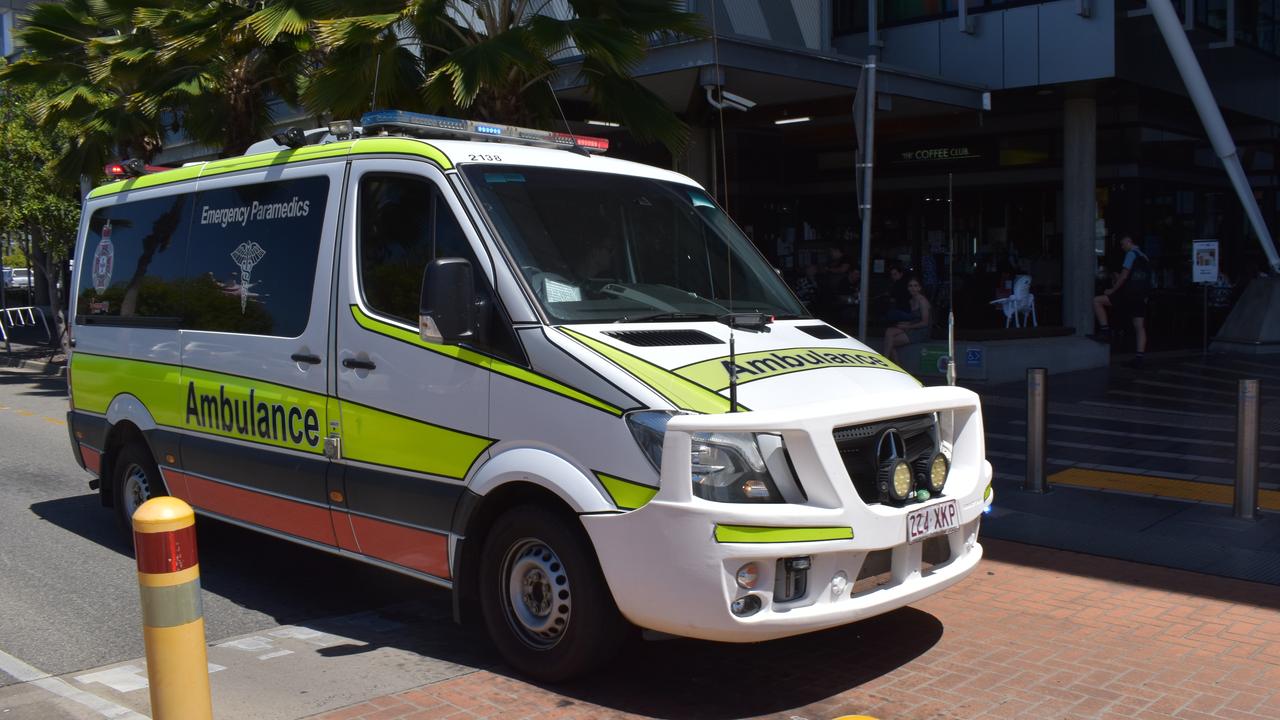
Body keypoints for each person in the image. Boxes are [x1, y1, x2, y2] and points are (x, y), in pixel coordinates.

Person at [1092, 234, 1151, 368]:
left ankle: (1105, 331)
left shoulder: (1131, 254)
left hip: (1128, 294)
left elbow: (1124, 276)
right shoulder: (1145, 257)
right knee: (1139, 326)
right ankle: (1139, 358)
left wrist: (1112, 290)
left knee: (1097, 301)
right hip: (1140, 296)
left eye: (1123, 244)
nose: (1122, 247)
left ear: (1129, 242)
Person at [883, 275, 931, 364]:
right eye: (910, 286)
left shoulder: (922, 301)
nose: (913, 288)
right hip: (913, 327)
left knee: (890, 342)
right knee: (889, 331)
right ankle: (895, 362)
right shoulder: (911, 301)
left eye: (915, 286)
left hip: (921, 331)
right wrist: (906, 324)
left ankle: (887, 361)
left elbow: (925, 323)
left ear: (920, 288)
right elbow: (914, 318)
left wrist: (908, 326)